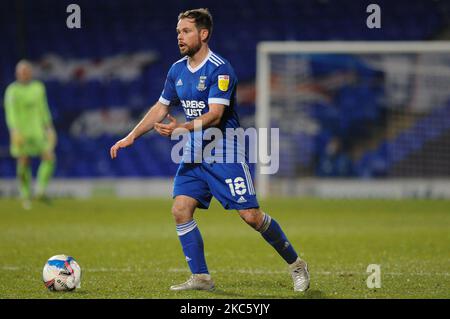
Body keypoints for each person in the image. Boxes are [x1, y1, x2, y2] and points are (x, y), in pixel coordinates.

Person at [110, 8, 309, 292]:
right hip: (193, 153)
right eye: (178, 31)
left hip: (224, 151)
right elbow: (160, 107)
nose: (179, 36)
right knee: (180, 209)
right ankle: (201, 277)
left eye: (186, 31)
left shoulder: (220, 69)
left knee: (251, 216)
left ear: (203, 34)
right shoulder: (176, 70)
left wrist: (182, 129)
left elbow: (215, 115)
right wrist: (131, 136)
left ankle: (296, 264)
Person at [3, 60, 57, 209]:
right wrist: (14, 130)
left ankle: (40, 190)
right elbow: (11, 114)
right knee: (23, 161)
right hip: (21, 133)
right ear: (17, 73)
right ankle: (25, 195)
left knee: (49, 157)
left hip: (38, 132)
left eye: (26, 71)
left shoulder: (38, 88)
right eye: (21, 71)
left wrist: (49, 128)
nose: (24, 74)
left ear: (30, 73)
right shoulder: (12, 91)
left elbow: (43, 108)